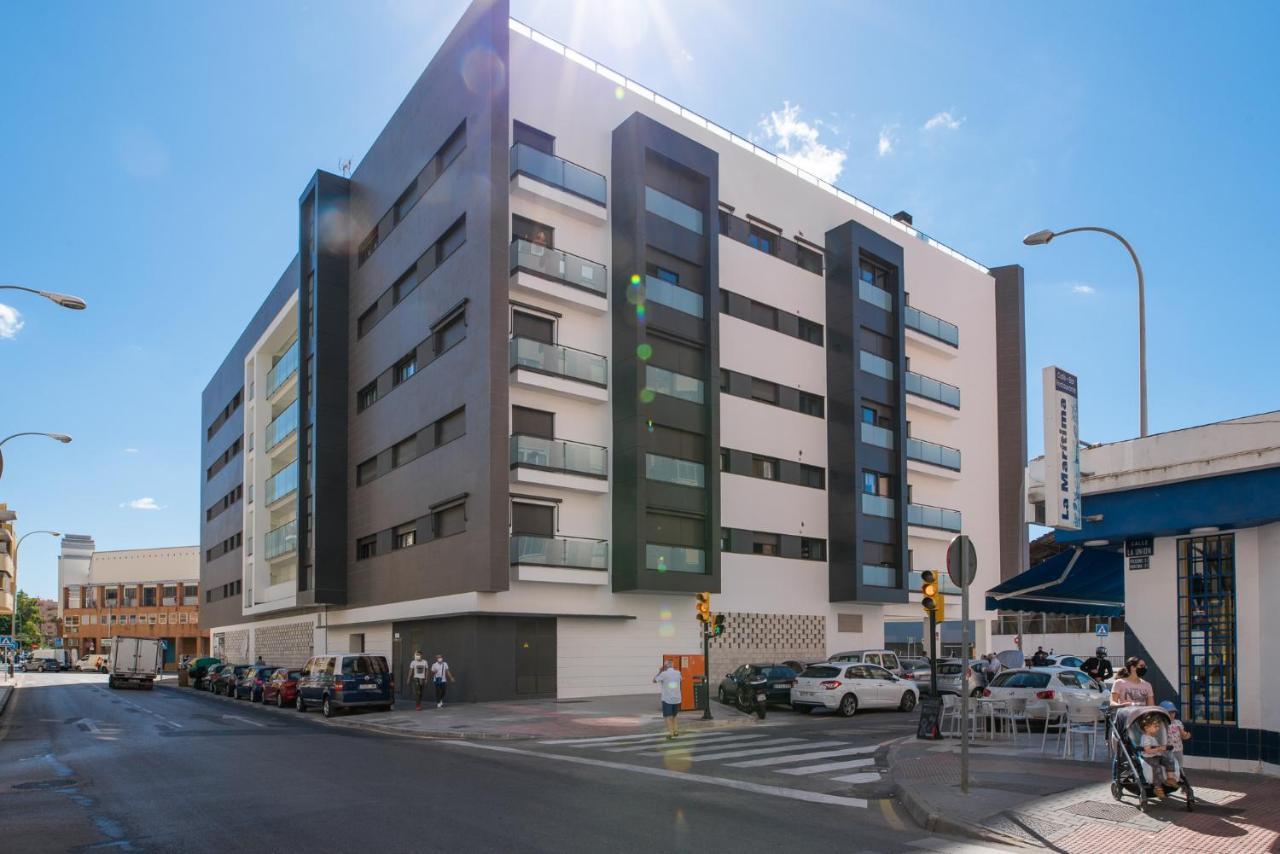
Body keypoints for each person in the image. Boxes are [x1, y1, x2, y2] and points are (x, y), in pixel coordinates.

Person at [1138, 714, 1179, 796]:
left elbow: (1156, 748)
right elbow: (1148, 750)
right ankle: (1157, 787)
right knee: (1157, 768)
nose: (1158, 728)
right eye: (1155, 726)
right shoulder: (1145, 738)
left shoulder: (1152, 737)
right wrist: (1160, 749)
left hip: (1156, 756)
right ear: (1146, 728)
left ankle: (1170, 778)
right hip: (1148, 757)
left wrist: (1162, 747)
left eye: (1158, 726)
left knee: (1169, 760)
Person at [1160, 700, 1191, 772]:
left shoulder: (1178, 722)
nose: (1171, 715)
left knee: (1179, 766)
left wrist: (1186, 735)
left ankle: (1181, 778)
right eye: (1168, 712)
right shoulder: (1161, 724)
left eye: (1173, 712)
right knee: (1169, 767)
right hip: (1166, 750)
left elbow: (1182, 734)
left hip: (1178, 749)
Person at [654, 659, 682, 739]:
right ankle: (676, 731)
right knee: (674, 715)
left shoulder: (663, 674)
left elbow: (654, 680)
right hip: (676, 698)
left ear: (665, 666)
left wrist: (660, 671)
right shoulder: (678, 672)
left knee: (667, 716)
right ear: (672, 665)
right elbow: (679, 680)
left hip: (667, 699)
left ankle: (671, 734)